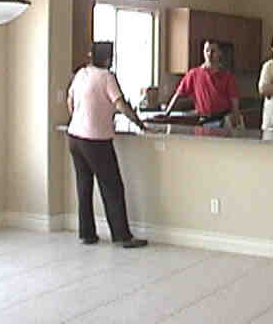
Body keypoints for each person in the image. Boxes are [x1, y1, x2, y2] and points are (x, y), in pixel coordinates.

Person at [67, 41, 148, 248]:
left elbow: (70, 101)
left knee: (84, 186)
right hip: (96, 140)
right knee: (112, 187)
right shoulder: (106, 77)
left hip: (75, 137)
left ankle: (87, 234)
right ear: (107, 58)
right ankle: (122, 236)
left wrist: (82, 118)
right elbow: (120, 105)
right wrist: (140, 124)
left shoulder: (81, 74)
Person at [164, 40, 243, 127]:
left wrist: (236, 121)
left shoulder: (227, 76)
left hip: (223, 120)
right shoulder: (194, 74)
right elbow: (178, 94)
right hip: (203, 120)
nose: (210, 54)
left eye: (213, 51)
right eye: (207, 50)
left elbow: (234, 101)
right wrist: (167, 113)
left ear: (220, 53)